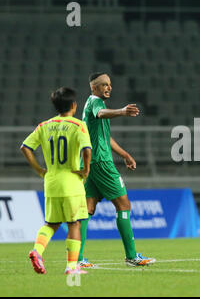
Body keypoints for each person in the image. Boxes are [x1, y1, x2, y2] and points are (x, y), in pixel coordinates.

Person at [78, 72, 154, 267]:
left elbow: (105, 137)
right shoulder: (96, 102)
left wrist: (125, 154)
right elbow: (101, 113)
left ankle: (76, 259)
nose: (108, 87)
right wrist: (121, 111)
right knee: (124, 206)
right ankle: (131, 256)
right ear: (94, 88)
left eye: (110, 84)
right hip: (102, 162)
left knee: (87, 209)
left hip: (89, 162)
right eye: (104, 85)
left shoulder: (90, 104)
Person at [21, 87, 92, 275]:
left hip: (51, 182)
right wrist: (86, 170)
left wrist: (38, 169)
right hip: (72, 182)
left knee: (51, 224)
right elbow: (86, 150)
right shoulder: (78, 125)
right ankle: (71, 267)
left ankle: (37, 251)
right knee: (74, 224)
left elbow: (25, 147)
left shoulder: (44, 126)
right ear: (74, 105)